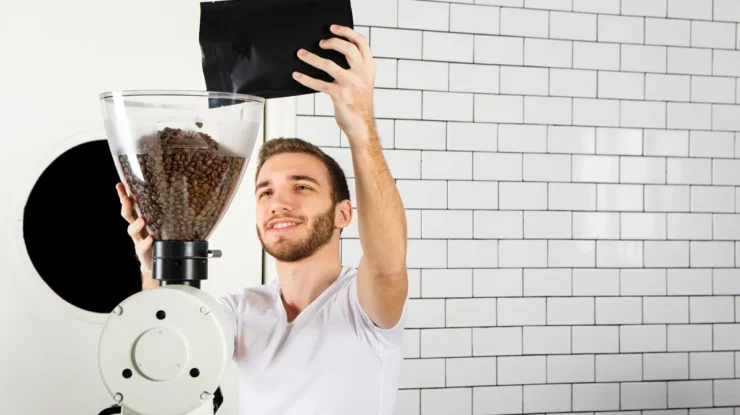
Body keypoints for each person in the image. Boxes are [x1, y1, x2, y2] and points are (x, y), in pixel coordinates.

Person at [116, 24, 409, 415]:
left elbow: (389, 268)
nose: (278, 203)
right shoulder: (242, 311)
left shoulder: (361, 305)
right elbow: (169, 348)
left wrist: (361, 125)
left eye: (302, 187)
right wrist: (155, 268)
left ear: (343, 213)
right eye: (265, 191)